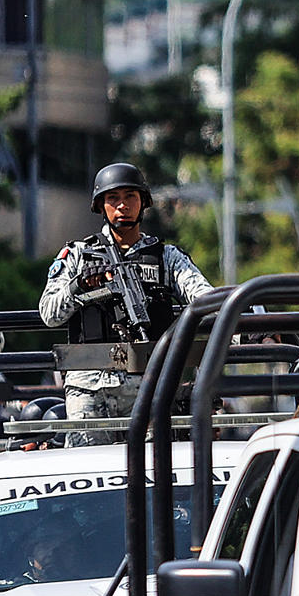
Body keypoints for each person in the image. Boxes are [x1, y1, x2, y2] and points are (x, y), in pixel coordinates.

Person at [39, 163, 214, 445]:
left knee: (158, 476)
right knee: (88, 473)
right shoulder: (77, 255)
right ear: (101, 206)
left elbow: (204, 298)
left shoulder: (166, 257)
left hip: (150, 383)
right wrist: (79, 286)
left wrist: (247, 323)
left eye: (130, 197)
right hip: (90, 387)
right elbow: (49, 313)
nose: (122, 205)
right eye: (113, 198)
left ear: (143, 202)